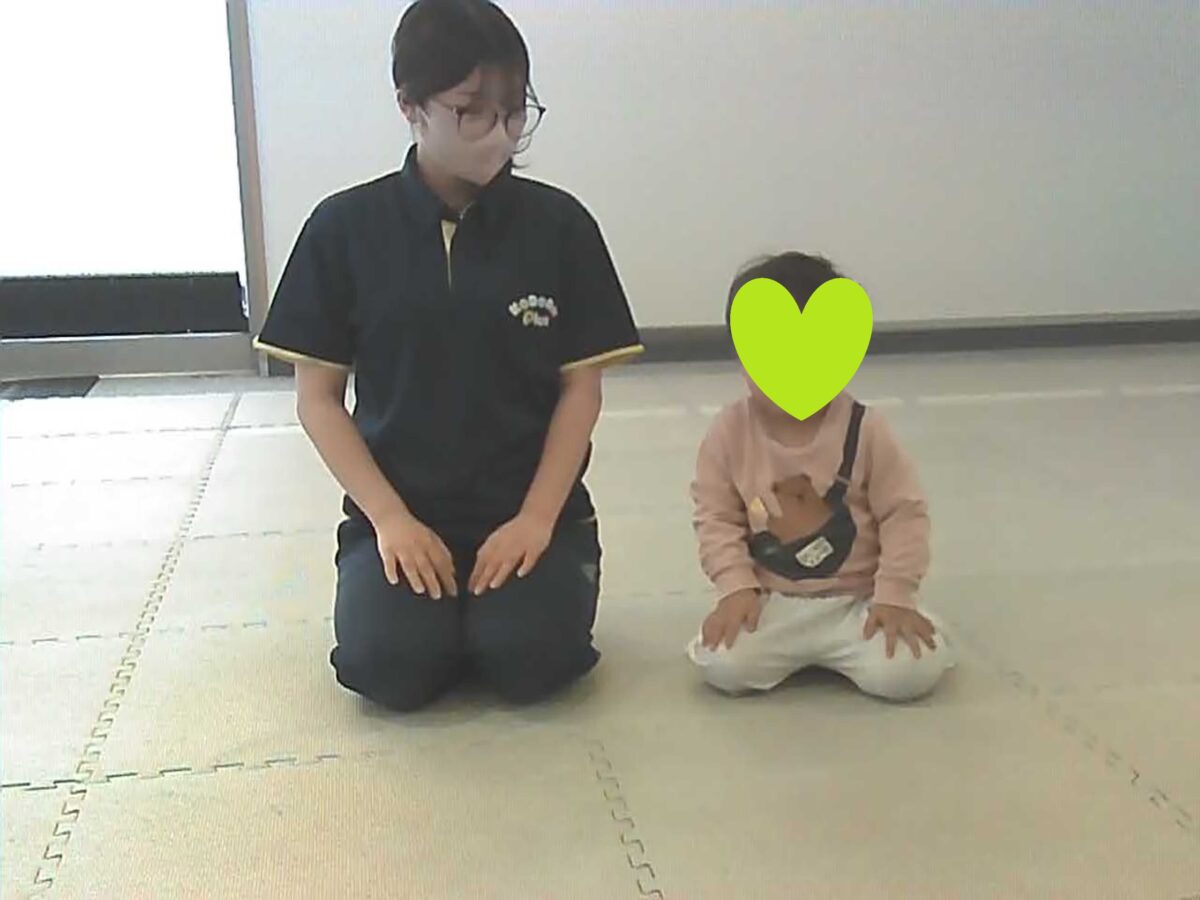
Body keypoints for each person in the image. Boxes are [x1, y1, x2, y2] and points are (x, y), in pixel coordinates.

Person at [254, 0, 642, 711]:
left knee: (531, 663)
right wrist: (390, 520)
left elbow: (580, 392)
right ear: (410, 105)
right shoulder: (344, 227)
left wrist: (536, 519)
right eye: (470, 112)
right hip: (402, 511)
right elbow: (318, 400)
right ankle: (426, 612)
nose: (500, 134)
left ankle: (511, 604)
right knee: (390, 669)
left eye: (514, 112)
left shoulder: (561, 225)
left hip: (530, 510)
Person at [687, 252, 953, 702]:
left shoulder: (866, 429)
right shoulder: (728, 432)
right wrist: (736, 588)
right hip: (771, 602)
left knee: (906, 674)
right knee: (725, 665)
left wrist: (894, 595)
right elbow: (716, 519)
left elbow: (903, 514)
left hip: (860, 601)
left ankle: (923, 626)